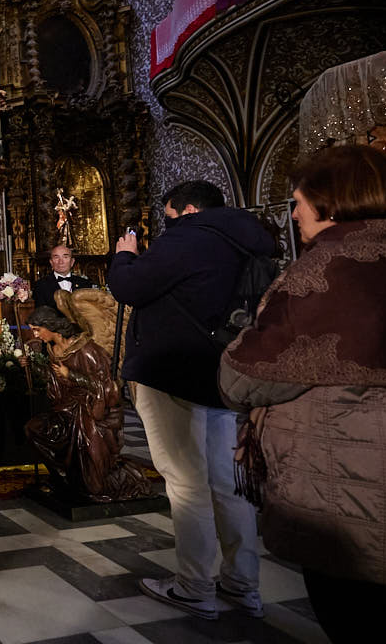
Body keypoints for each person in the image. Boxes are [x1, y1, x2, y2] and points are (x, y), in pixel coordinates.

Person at [219, 145, 386, 641]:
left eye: (299, 201)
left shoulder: (325, 274)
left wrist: (243, 333)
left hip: (354, 496)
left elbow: (241, 380)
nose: (295, 213)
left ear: (330, 204)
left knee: (363, 622)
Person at [107, 179, 275, 620]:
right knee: (227, 482)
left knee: (186, 482)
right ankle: (242, 583)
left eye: (169, 216)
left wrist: (124, 253)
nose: (167, 224)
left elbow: (129, 287)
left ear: (186, 210)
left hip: (174, 372)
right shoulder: (247, 238)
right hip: (222, 374)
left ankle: (195, 585)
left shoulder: (188, 237)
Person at [22, 307, 150, 502]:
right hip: (67, 407)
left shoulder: (87, 350)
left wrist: (71, 375)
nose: (35, 334)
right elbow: (55, 380)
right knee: (35, 429)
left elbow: (107, 386)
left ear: (50, 327)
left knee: (95, 480)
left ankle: (120, 478)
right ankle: (64, 475)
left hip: (93, 410)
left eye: (37, 329)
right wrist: (32, 366)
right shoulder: (53, 349)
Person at [32, 244, 96, 310]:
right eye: (56, 257)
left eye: (65, 257)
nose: (61, 262)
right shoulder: (41, 285)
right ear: (51, 262)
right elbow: (40, 314)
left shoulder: (85, 283)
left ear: (72, 262)